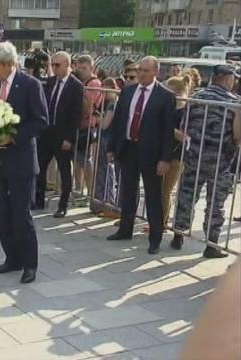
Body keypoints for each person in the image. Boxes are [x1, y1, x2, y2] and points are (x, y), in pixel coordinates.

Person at [0, 41, 48, 284]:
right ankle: (12, 258)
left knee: (21, 214)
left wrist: (13, 136)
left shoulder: (30, 85)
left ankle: (29, 263)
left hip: (20, 161)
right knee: (0, 212)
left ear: (10, 65)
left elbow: (40, 120)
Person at [106, 56, 176, 255]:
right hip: (128, 147)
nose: (142, 73)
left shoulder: (165, 96)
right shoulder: (127, 92)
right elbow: (119, 122)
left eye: (146, 70)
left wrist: (164, 159)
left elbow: (167, 131)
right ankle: (125, 229)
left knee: (153, 195)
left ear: (156, 72)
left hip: (151, 153)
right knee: (128, 190)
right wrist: (111, 148)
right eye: (140, 70)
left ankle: (155, 238)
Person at [172, 65, 241, 258]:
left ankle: (178, 233)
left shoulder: (195, 97)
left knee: (186, 195)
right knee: (215, 203)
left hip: (194, 155)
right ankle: (211, 244)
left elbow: (184, 126)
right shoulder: (234, 102)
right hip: (221, 161)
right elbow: (237, 136)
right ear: (227, 79)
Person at [34, 51, 83, 218]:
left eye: (57, 65)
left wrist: (69, 138)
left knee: (64, 170)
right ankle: (38, 199)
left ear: (67, 65)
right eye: (52, 65)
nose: (54, 68)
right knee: (39, 167)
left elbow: (76, 115)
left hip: (63, 135)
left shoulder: (76, 86)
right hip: (47, 133)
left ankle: (63, 205)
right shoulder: (50, 81)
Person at [158, 75, 190, 236]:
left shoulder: (185, 111)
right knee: (161, 190)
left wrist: (166, 128)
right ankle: (160, 221)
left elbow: (185, 136)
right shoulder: (172, 108)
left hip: (176, 156)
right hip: (166, 153)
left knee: (165, 190)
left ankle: (162, 222)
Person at [90, 78, 119, 218]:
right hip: (106, 140)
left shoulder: (112, 105)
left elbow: (105, 124)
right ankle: (101, 201)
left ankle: (106, 202)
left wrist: (98, 117)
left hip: (107, 140)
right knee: (103, 171)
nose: (103, 92)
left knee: (105, 171)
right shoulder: (109, 103)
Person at [74, 55, 103, 199]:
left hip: (87, 125)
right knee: (76, 159)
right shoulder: (79, 81)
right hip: (77, 125)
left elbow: (88, 106)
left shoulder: (94, 83)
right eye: (79, 68)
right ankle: (78, 189)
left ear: (91, 68)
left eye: (84, 68)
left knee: (85, 159)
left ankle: (90, 191)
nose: (81, 71)